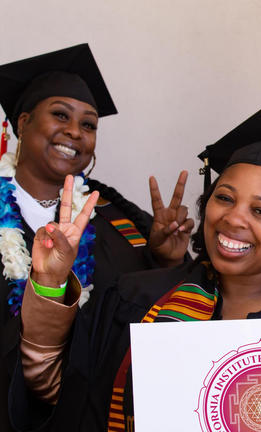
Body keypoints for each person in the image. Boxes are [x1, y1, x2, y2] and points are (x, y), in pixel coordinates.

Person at [8, 98, 261, 432]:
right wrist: (47, 283)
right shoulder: (134, 302)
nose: (234, 218)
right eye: (224, 198)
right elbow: (54, 390)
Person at [0, 44, 192, 430]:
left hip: (100, 413)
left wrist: (165, 259)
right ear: (22, 122)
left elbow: (147, 312)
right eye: (60, 115)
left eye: (89, 125)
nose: (75, 132)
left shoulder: (114, 214)